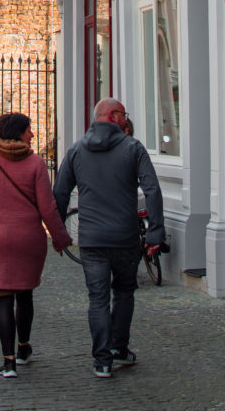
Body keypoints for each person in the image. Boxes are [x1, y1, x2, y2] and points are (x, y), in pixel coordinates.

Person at [53, 97, 165, 379]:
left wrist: (58, 232)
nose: (126, 119)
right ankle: (119, 348)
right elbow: (152, 189)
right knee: (124, 293)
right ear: (114, 116)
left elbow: (60, 192)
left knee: (98, 299)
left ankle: (101, 360)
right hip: (125, 237)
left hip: (91, 239)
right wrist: (155, 231)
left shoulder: (77, 149)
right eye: (124, 114)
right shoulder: (133, 148)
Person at [0, 112, 72, 378]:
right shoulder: (36, 164)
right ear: (18, 133)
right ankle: (24, 348)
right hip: (28, 239)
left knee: (3, 300)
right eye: (29, 130)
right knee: (25, 295)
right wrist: (60, 238)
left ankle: (8, 361)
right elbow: (48, 207)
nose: (33, 135)